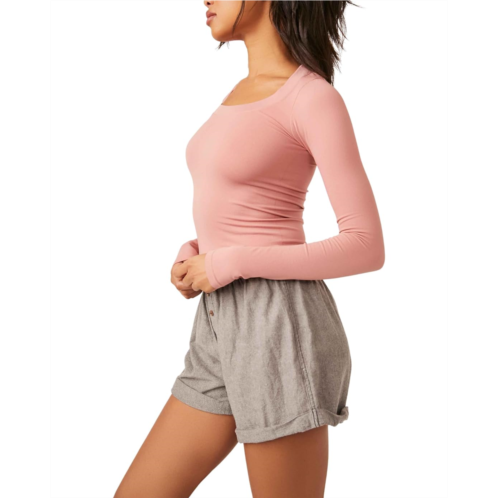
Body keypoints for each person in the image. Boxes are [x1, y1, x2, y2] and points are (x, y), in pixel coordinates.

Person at [115, 0, 384, 497]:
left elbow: (366, 245)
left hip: (280, 326)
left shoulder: (312, 98)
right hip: (218, 324)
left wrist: (230, 261)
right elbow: (247, 210)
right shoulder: (239, 93)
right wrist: (197, 250)